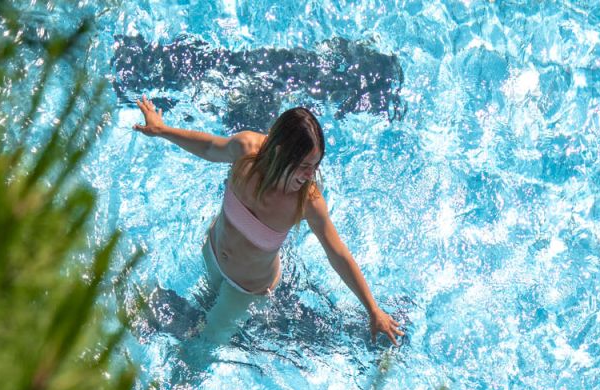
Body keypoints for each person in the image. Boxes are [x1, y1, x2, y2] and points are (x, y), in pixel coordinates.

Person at [132, 100, 403, 345]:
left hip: (246, 291)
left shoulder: (306, 201)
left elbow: (337, 253)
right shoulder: (246, 152)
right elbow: (207, 147)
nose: (311, 175)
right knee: (191, 316)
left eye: (316, 165)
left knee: (200, 350)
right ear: (281, 153)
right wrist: (161, 130)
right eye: (305, 165)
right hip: (212, 256)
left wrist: (373, 309)